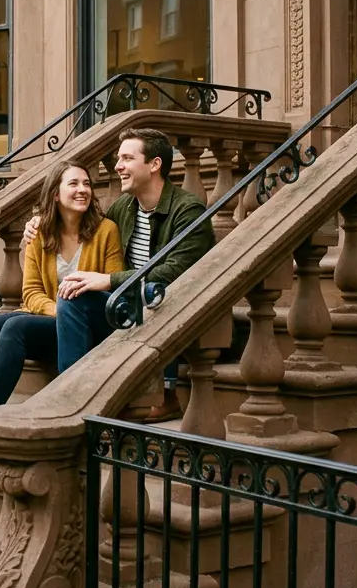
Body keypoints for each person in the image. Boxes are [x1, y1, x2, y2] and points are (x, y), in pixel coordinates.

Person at [0, 161, 124, 461]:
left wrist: (70, 311)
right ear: (55, 195)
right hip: (56, 319)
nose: (82, 190)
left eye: (86, 184)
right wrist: (60, 310)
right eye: (73, 184)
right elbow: (31, 293)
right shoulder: (39, 235)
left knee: (14, 328)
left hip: (88, 325)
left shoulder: (105, 231)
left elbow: (112, 286)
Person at [23, 127, 215, 420]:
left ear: (154, 165)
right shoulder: (123, 208)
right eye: (118, 158)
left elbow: (174, 273)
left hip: (171, 309)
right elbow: (82, 222)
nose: (118, 166)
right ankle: (72, 396)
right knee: (65, 301)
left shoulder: (188, 211)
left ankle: (165, 392)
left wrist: (109, 280)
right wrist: (41, 221)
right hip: (129, 309)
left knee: (90, 299)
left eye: (127, 158)